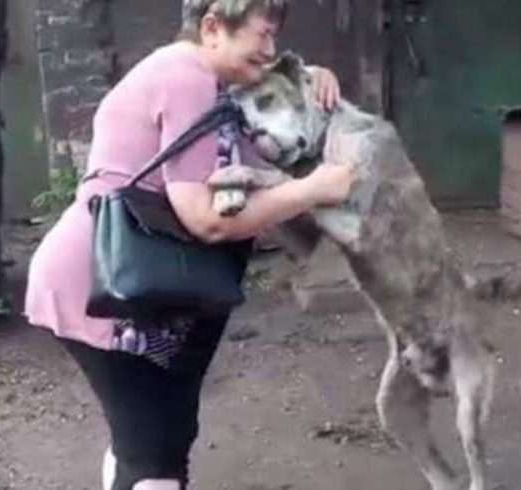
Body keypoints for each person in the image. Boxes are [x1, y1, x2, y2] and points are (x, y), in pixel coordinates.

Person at [24, 1, 358, 489]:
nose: (270, 51)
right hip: (107, 290)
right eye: (262, 36)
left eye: (275, 39)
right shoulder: (187, 78)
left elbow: (263, 101)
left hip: (138, 289)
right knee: (152, 455)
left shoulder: (209, 79)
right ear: (211, 28)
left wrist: (312, 75)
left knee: (159, 439)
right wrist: (313, 190)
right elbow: (206, 221)